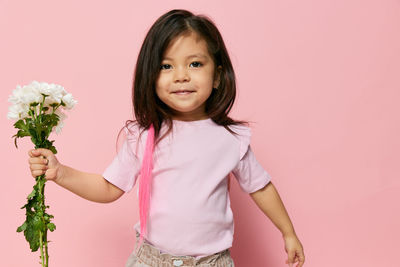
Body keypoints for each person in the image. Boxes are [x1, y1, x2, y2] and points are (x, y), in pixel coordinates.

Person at [27, 9, 305, 267]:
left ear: (217, 76)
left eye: (195, 64)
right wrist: (61, 173)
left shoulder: (231, 139)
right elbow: (108, 187)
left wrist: (288, 232)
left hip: (213, 262)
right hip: (151, 260)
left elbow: (261, 186)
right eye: (166, 66)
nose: (181, 76)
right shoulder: (144, 135)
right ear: (150, 77)